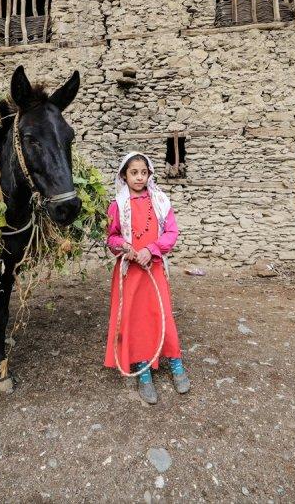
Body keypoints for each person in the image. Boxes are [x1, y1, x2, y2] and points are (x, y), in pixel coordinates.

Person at [104, 152, 190, 404]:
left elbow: (171, 233)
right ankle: (143, 372)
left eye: (144, 172)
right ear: (124, 176)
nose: (139, 177)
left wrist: (150, 251)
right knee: (137, 318)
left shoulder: (160, 200)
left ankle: (175, 363)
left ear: (149, 174)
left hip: (153, 268)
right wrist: (126, 249)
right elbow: (111, 237)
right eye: (134, 173)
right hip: (131, 271)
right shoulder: (118, 204)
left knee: (162, 314)